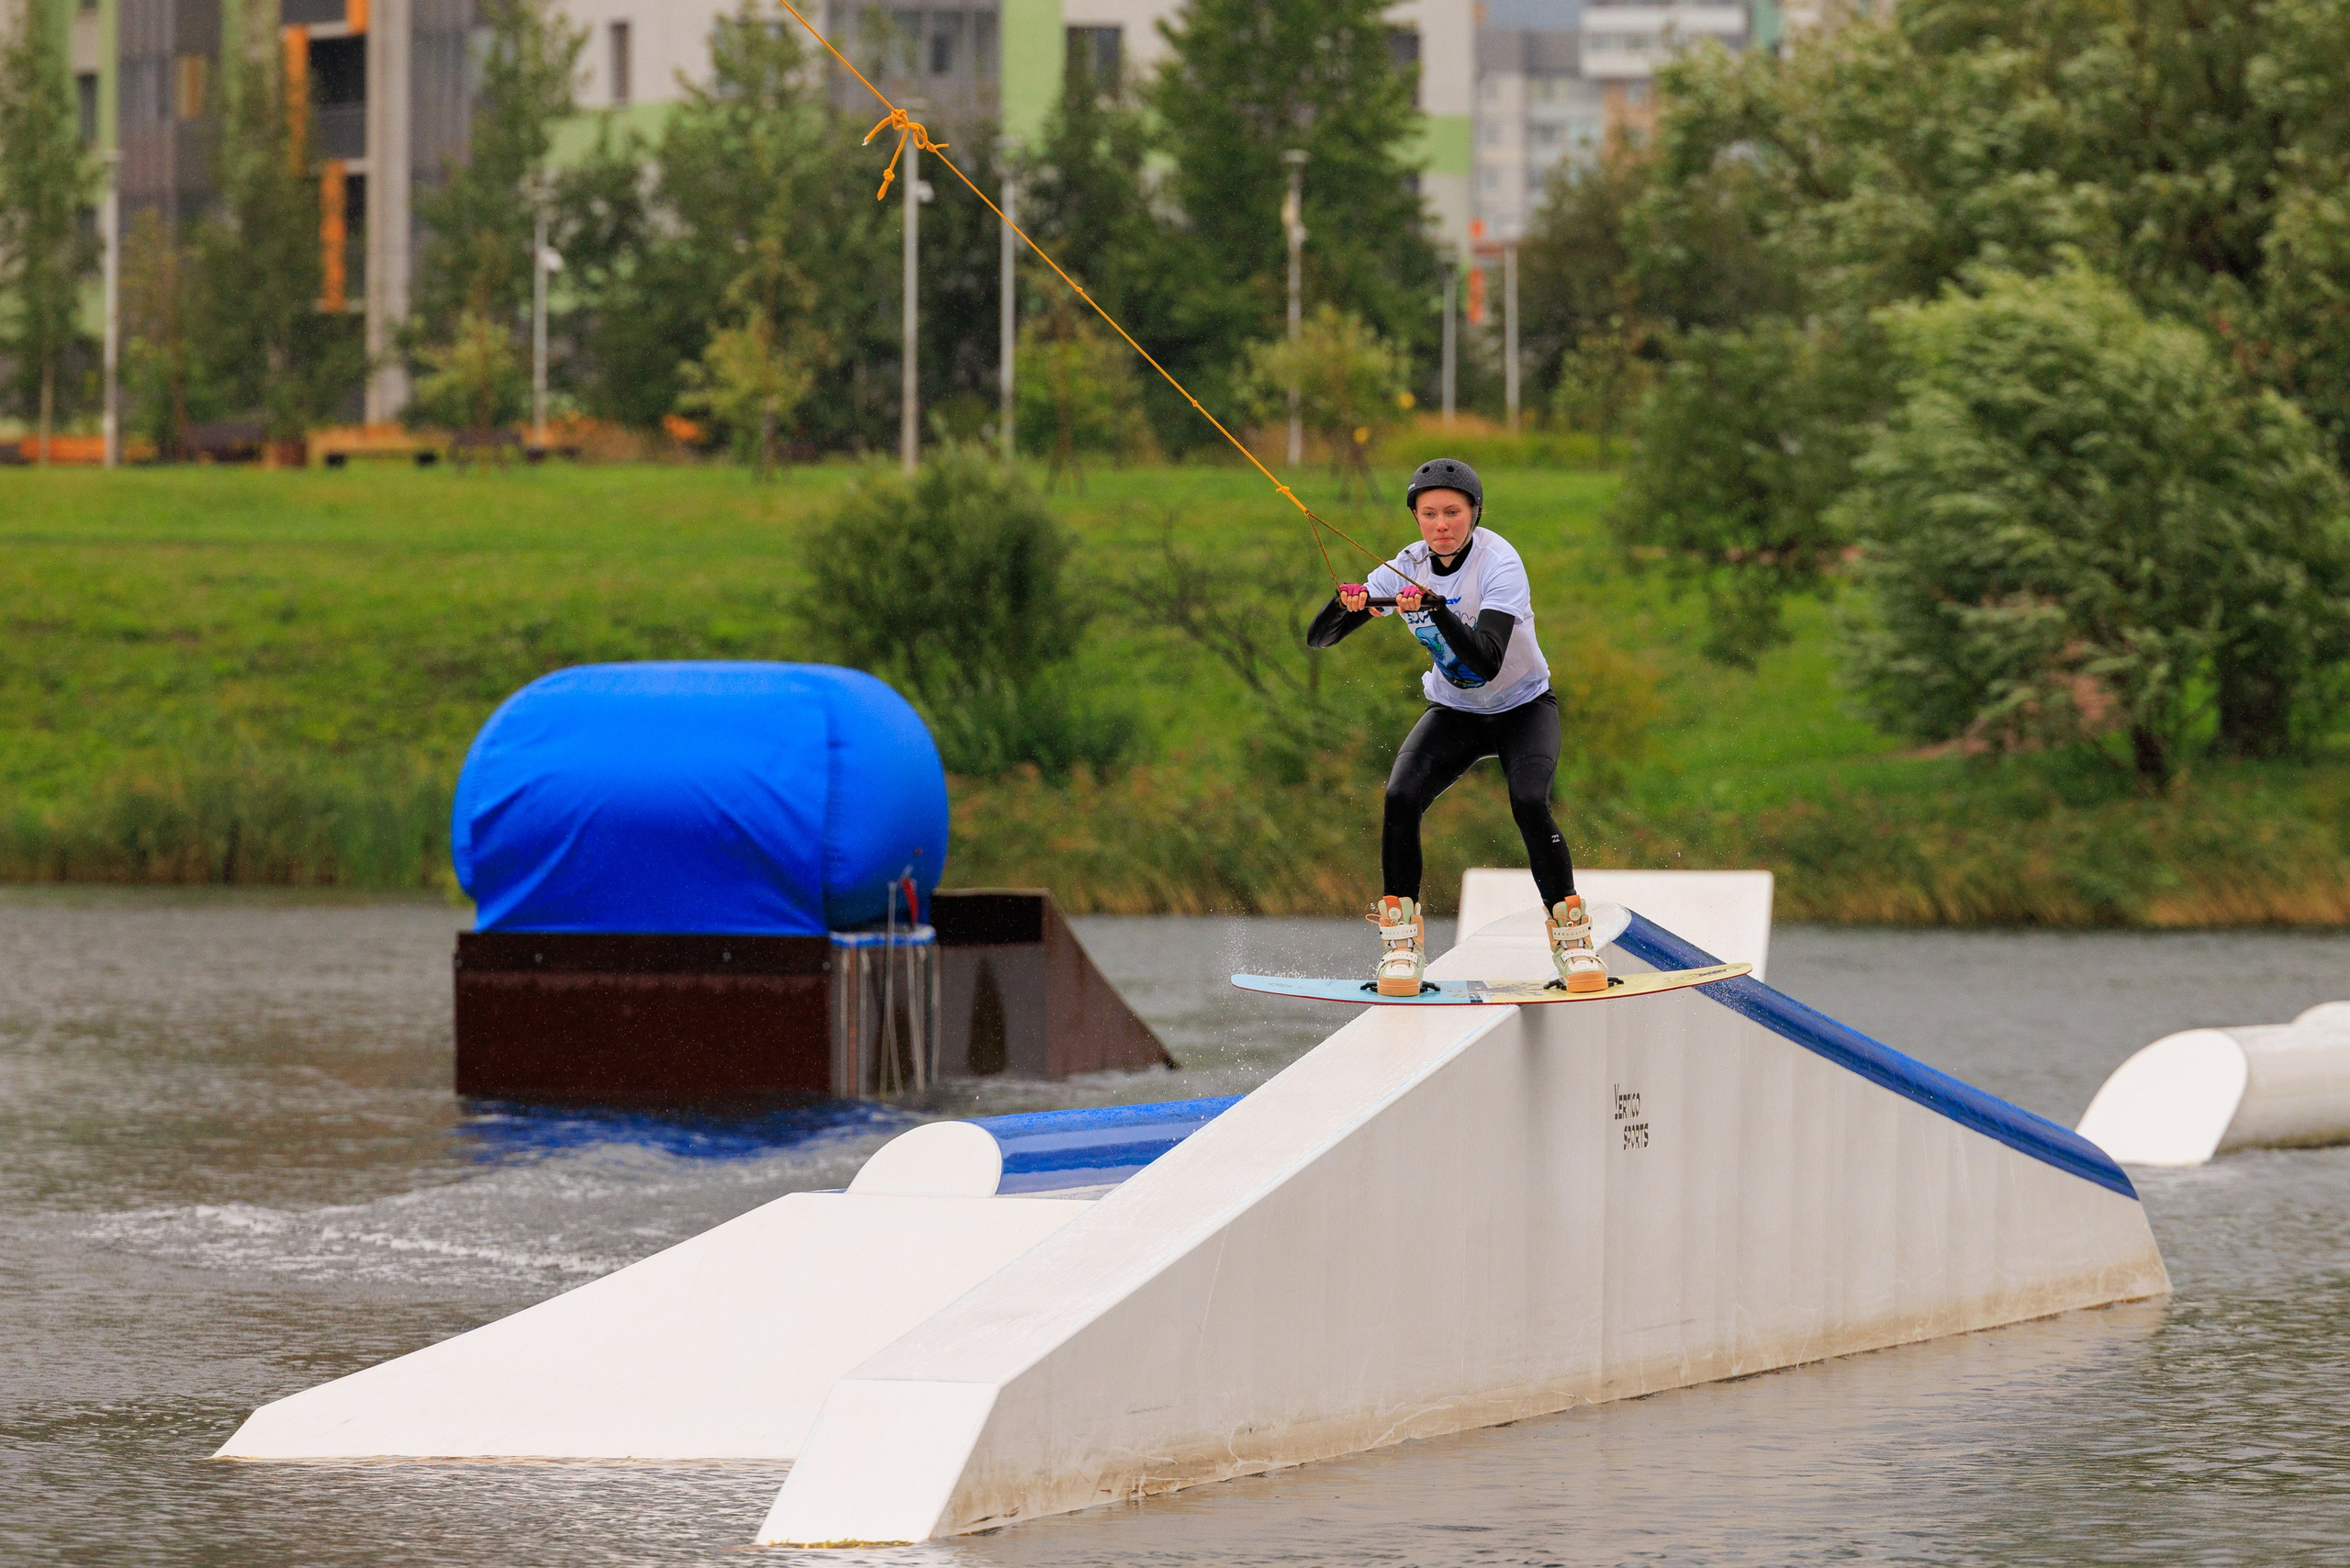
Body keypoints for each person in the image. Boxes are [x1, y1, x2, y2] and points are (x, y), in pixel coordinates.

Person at [1305, 457, 1606, 997]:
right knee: (1400, 796)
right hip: (1456, 713)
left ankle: (1573, 940)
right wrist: (1346, 604)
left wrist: (1434, 610)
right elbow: (1320, 638)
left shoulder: (1500, 562)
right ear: (1416, 519)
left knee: (1530, 802)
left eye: (1452, 512)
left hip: (1523, 707)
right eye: (1429, 514)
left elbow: (1488, 660)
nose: (1441, 524)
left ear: (1474, 514)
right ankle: (1401, 948)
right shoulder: (1405, 565)